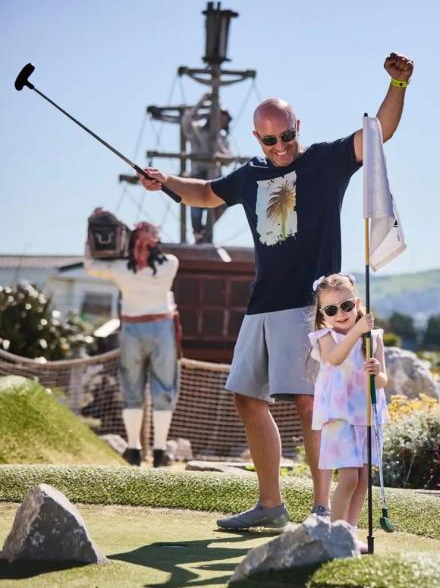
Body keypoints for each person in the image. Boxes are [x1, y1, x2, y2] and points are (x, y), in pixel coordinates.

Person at [137, 53, 414, 530]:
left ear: (297, 126)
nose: (281, 146)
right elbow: (204, 192)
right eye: (271, 139)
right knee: (247, 397)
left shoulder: (326, 161)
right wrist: (165, 184)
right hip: (261, 303)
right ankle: (270, 505)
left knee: (311, 404)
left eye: (287, 135)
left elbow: (379, 133)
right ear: (257, 138)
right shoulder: (248, 177)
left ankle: (322, 510)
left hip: (308, 308)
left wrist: (397, 85)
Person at [84, 213, 180, 468]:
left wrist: (90, 233)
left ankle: (133, 449)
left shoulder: (119, 270)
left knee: (131, 389)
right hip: (161, 327)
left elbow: (91, 265)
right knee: (164, 389)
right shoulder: (170, 264)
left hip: (132, 328)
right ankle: (160, 451)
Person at [308, 274, 388, 550]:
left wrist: (376, 371)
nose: (340, 314)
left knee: (364, 477)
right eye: (331, 309)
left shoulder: (373, 337)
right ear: (322, 314)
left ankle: (350, 533)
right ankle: (335, 534)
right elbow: (335, 358)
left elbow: (383, 381)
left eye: (346, 306)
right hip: (339, 415)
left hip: (365, 415)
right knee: (349, 477)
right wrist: (357, 330)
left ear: (356, 303)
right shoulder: (324, 337)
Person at [181, 94, 232, 244]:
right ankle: (198, 233)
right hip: (198, 174)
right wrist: (202, 101)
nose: (221, 122)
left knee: (224, 202)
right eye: (219, 118)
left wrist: (220, 154)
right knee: (196, 205)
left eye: (223, 120)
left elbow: (228, 159)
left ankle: (206, 230)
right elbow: (186, 120)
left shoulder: (222, 140)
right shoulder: (197, 131)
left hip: (215, 177)